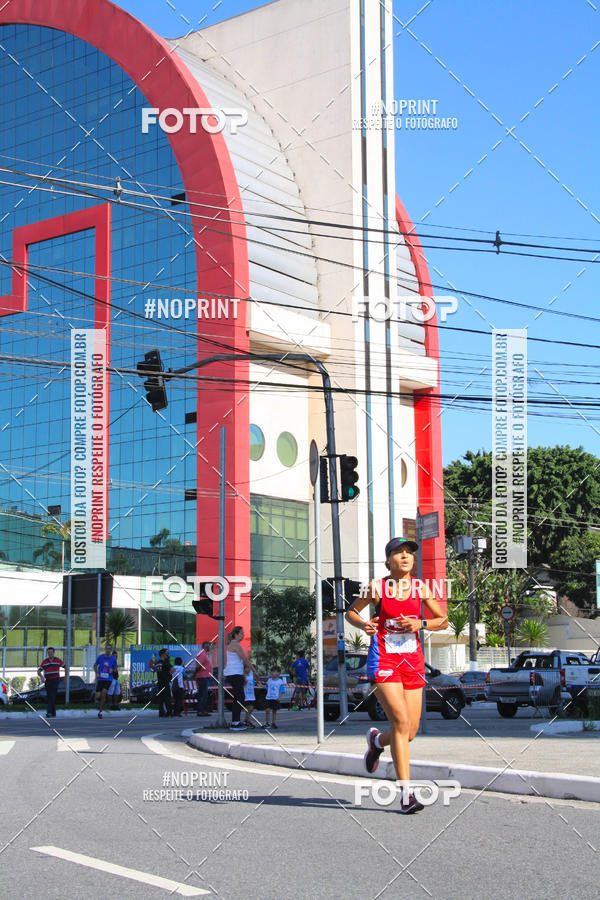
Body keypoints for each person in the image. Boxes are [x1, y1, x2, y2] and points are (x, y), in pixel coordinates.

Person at [345, 537, 448, 814]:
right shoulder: (376, 587)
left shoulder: (420, 587)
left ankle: (377, 742)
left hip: (412, 661)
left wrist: (421, 622)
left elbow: (443, 620)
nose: (405, 557)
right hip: (384, 659)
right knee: (401, 722)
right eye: (398, 553)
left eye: (409, 553)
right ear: (388, 560)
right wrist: (364, 623)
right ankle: (406, 794)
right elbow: (351, 612)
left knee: (410, 732)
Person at [223, 627, 252, 730]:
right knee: (239, 697)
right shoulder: (235, 644)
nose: (242, 635)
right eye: (241, 633)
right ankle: (235, 723)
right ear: (235, 634)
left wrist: (243, 675)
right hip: (234, 673)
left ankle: (236, 721)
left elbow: (240, 662)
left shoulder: (234, 644)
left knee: (239, 697)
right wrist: (254, 671)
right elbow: (244, 659)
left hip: (236, 673)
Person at [38, 647, 68, 718]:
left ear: (53, 653)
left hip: (55, 680)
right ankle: (53, 712)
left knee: (52, 695)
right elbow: (39, 671)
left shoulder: (57, 660)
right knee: (49, 696)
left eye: (51, 652)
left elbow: (66, 667)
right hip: (47, 680)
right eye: (49, 653)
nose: (50, 654)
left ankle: (49, 712)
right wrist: (42, 677)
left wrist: (65, 677)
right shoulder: (45, 662)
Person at [94, 643, 118, 719]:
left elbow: (115, 668)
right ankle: (101, 702)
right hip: (100, 678)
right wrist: (97, 673)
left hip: (108, 679)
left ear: (111, 650)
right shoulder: (100, 657)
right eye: (107, 649)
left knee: (104, 693)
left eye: (109, 649)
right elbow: (95, 665)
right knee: (98, 696)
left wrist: (112, 670)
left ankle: (100, 712)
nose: (108, 650)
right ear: (105, 649)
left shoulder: (113, 659)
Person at [194, 642, 213, 716]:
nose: (210, 648)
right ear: (206, 646)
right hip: (202, 677)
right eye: (209, 647)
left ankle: (202, 710)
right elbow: (198, 665)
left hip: (205, 677)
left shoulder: (204, 654)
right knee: (203, 694)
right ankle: (201, 710)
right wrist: (196, 673)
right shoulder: (202, 654)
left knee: (204, 694)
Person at [152, 648, 173, 717]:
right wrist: (169, 674)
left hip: (160, 682)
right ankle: (169, 712)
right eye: (167, 653)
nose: (168, 654)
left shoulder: (158, 663)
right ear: (163, 654)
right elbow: (173, 669)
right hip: (165, 682)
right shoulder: (165, 663)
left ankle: (161, 712)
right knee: (167, 698)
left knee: (161, 699)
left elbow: (155, 670)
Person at [243, 655, 261, 727]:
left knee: (251, 708)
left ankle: (247, 720)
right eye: (247, 668)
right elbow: (244, 683)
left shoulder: (251, 674)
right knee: (248, 708)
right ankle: (247, 720)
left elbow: (256, 678)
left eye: (249, 668)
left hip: (251, 694)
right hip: (246, 695)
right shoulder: (243, 675)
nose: (248, 669)